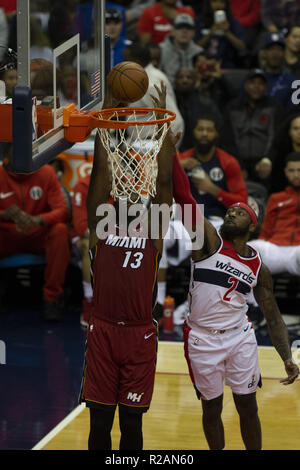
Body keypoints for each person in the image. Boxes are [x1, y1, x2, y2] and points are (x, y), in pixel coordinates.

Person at [79, 81, 177, 450]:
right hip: (102, 332)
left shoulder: (154, 229)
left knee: (132, 428)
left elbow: (165, 180)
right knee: (99, 425)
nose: (131, 190)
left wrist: (162, 126)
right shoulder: (99, 225)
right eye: (124, 186)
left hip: (139, 335)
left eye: (139, 188)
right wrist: (109, 114)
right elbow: (99, 173)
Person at [183, 201, 299, 450]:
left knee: (248, 406)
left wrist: (286, 357)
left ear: (252, 226)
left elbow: (273, 314)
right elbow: (187, 206)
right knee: (211, 408)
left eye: (240, 213)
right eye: (229, 212)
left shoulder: (259, 267)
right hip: (203, 338)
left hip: (239, 337)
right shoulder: (207, 244)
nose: (231, 214)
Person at [0, 144, 70, 321]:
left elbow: (63, 210)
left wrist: (38, 220)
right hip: (8, 235)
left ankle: (51, 299)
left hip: (38, 234)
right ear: (6, 153)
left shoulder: (46, 173)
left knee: (60, 231)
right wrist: (4, 214)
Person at [178, 114, 248, 230]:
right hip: (185, 218)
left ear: (216, 134)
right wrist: (178, 166)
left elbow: (242, 201)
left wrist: (212, 189)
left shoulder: (228, 162)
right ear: (193, 132)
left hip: (216, 219)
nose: (204, 134)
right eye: (200, 129)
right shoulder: (183, 159)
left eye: (209, 130)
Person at [221, 68, 284, 186]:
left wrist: (268, 160)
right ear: (245, 85)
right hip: (238, 162)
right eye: (252, 83)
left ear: (266, 87)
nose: (256, 86)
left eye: (260, 83)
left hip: (264, 163)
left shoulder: (274, 107)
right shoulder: (232, 107)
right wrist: (238, 165)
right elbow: (228, 139)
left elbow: (277, 137)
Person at [123, 42, 184, 144]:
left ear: (135, 61)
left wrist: (162, 149)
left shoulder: (151, 82)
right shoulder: (142, 77)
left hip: (149, 146)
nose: (123, 63)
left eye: (125, 60)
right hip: (138, 143)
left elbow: (175, 121)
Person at [250, 152, 300, 276]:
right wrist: (261, 241)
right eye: (292, 171)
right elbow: (266, 228)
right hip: (275, 248)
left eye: (299, 170)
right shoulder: (276, 198)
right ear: (285, 172)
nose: (296, 175)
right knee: (247, 249)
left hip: (298, 250)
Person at [174, 66, 223, 152]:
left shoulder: (207, 105)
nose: (184, 80)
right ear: (175, 82)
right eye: (180, 77)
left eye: (188, 77)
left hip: (201, 151)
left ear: (196, 82)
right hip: (175, 150)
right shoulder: (169, 104)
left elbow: (217, 130)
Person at [196, 0, 246, 69]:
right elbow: (195, 47)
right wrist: (211, 32)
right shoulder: (200, 21)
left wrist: (227, 32)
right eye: (215, 1)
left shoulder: (233, 22)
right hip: (203, 64)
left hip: (226, 65)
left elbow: (242, 48)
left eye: (222, 2)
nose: (218, 5)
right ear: (209, 3)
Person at [159, 13, 203, 86]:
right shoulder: (160, 50)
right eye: (180, 27)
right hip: (167, 92)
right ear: (173, 31)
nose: (184, 31)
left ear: (193, 33)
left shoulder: (199, 53)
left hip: (192, 92)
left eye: (188, 28)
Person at [260, 32, 296, 110]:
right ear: (264, 53)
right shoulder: (253, 80)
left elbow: (294, 113)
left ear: (284, 54)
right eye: (271, 49)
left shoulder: (294, 83)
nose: (275, 53)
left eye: (279, 49)